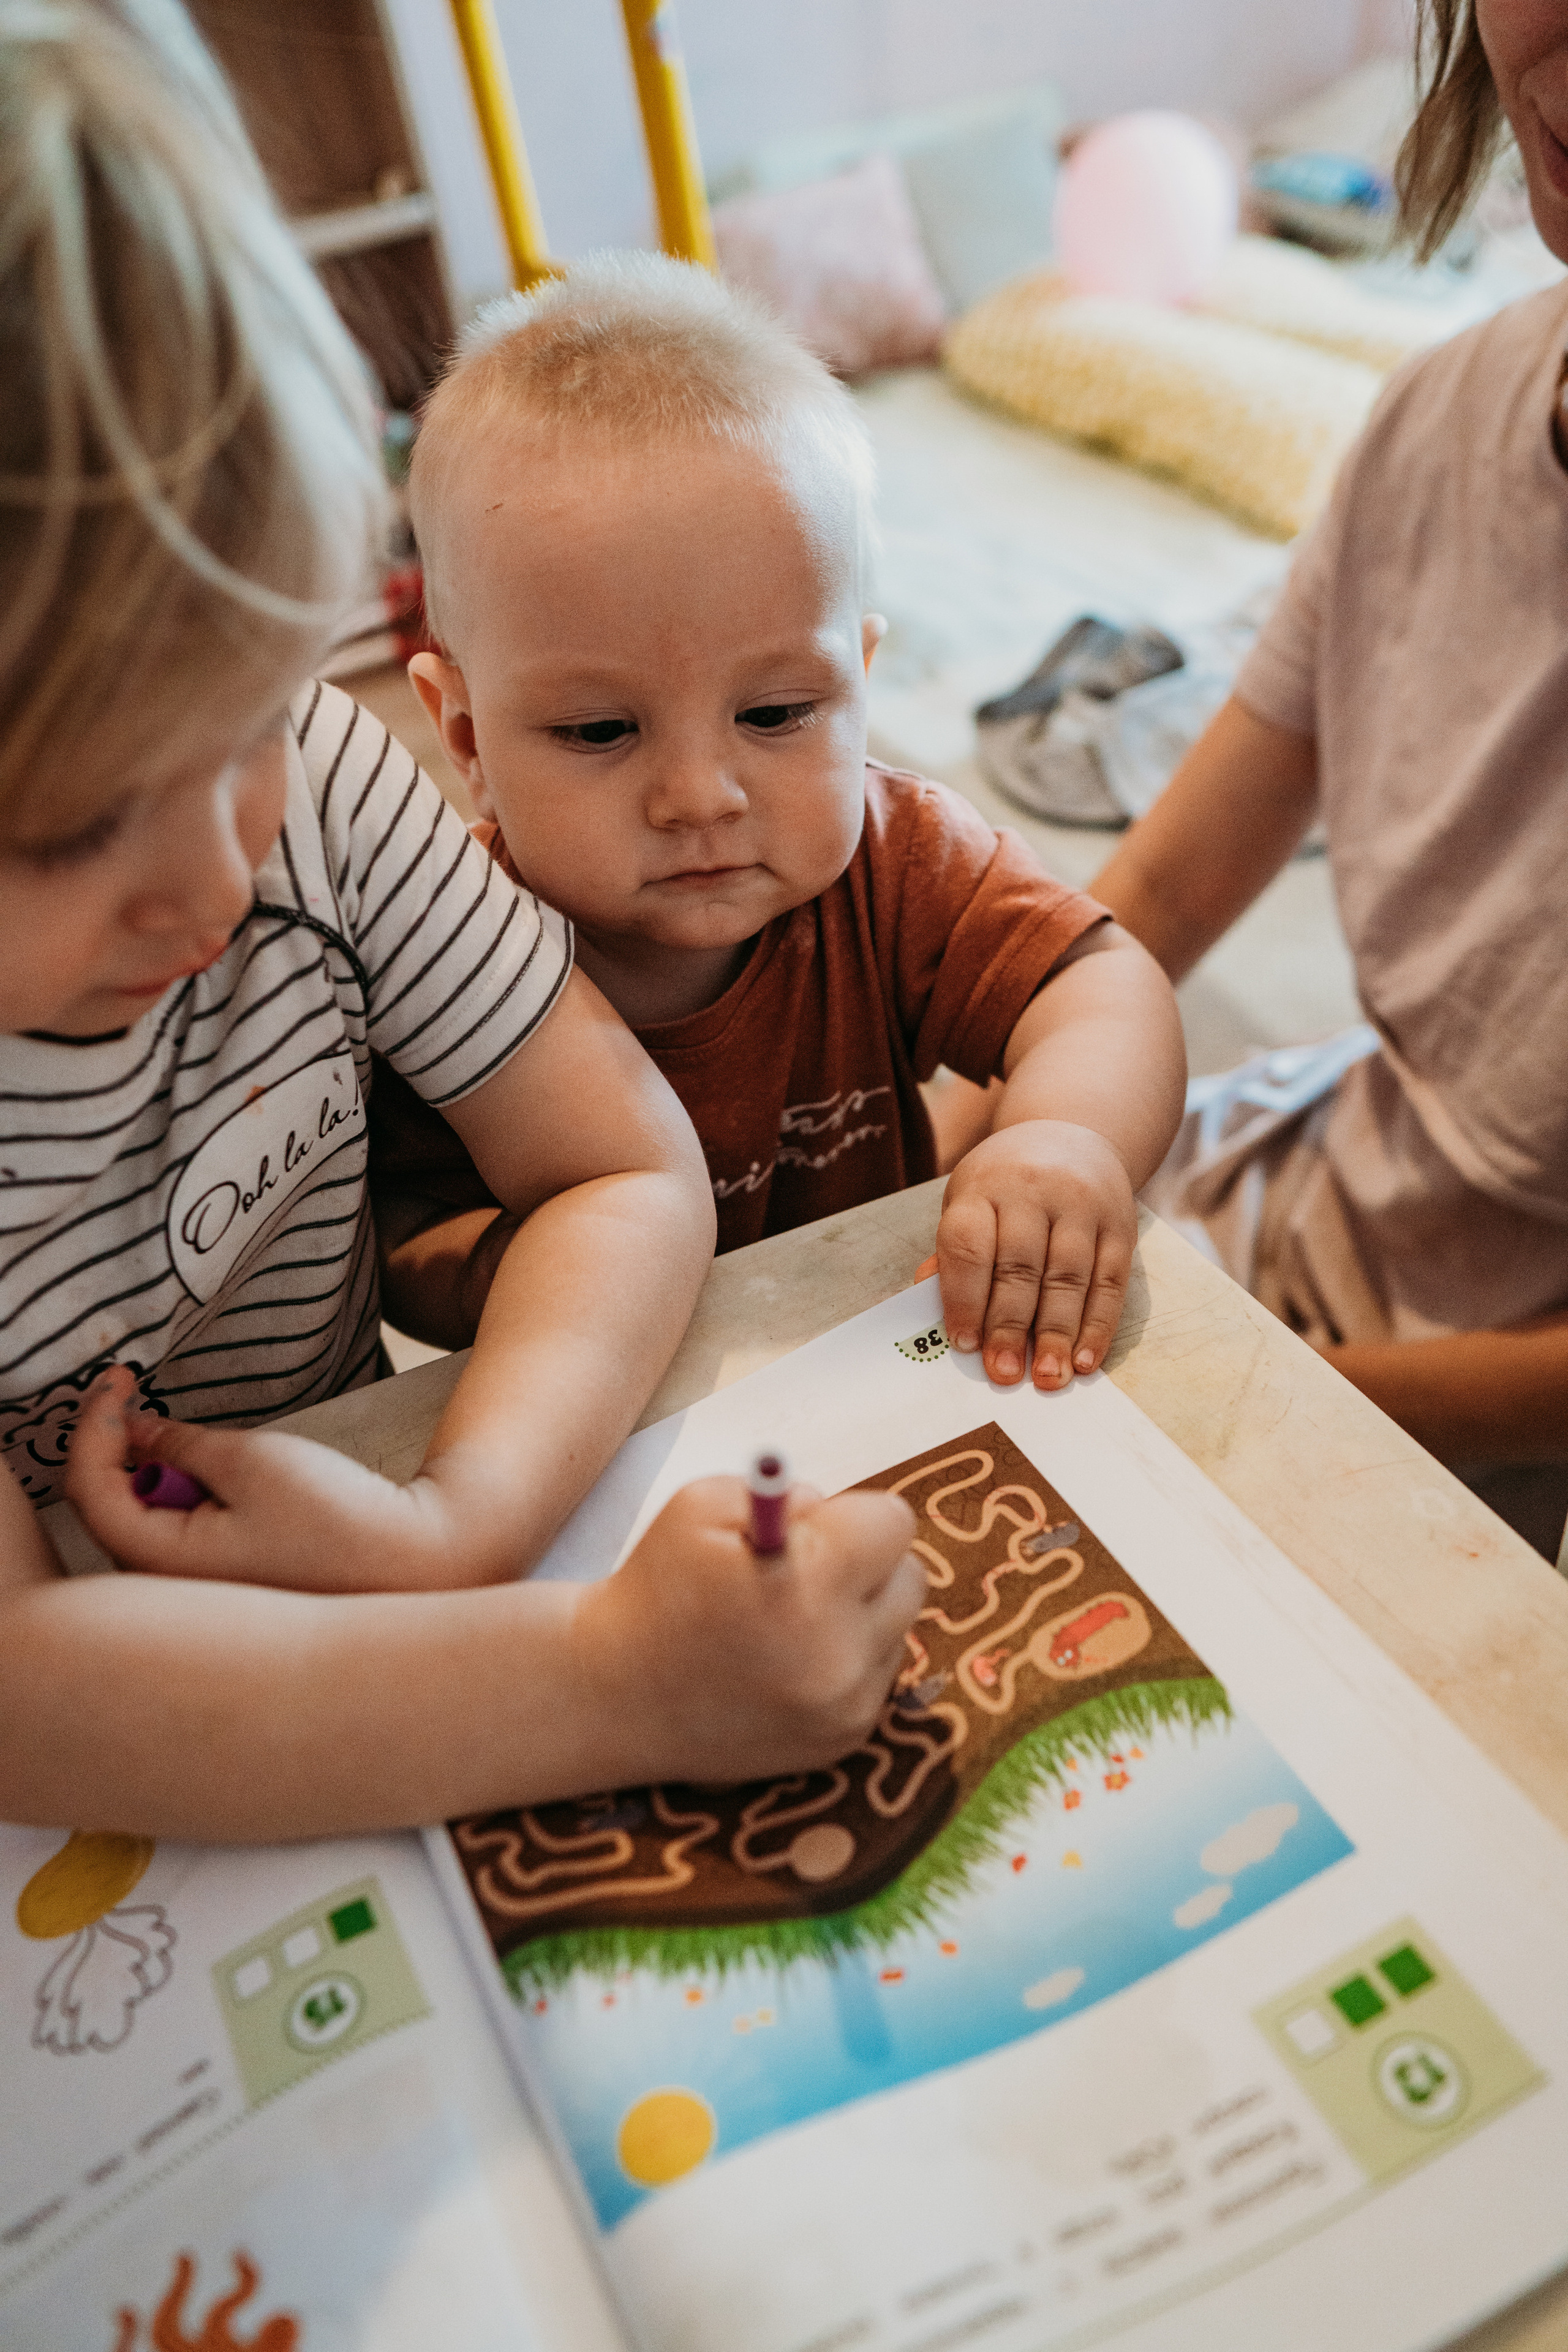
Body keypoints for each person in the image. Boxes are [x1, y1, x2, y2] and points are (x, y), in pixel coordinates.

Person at [0, 0, 924, 1838]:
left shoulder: (327, 793)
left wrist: (461, 1523)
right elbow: (29, 1701)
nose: (213, 875)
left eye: (249, 721)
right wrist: (610, 1679)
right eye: (78, 825)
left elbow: (619, 1171)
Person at [370, 255, 1188, 1396]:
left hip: (900, 1365)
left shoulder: (894, 859)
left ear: (858, 677)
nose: (702, 795)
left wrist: (1065, 1139)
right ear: (464, 738)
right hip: (610, 1423)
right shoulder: (447, 949)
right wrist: (517, 1270)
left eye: (775, 712)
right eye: (603, 729)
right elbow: (399, 1230)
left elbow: (1103, 987)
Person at [1089, 0, 1568, 1555]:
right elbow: (1153, 894)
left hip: (1456, 1427)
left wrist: (1276, 1395)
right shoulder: (1435, 418)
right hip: (1307, 1207)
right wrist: (995, 1115)